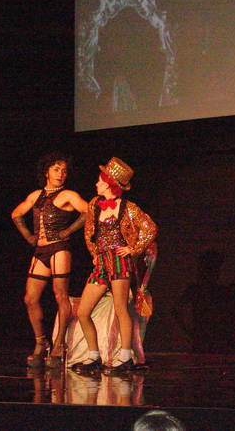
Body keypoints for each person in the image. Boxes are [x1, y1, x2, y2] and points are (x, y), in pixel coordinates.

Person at [73, 157, 158, 373]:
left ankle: (125, 356)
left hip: (119, 260)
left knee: (121, 308)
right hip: (102, 261)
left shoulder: (129, 208)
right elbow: (89, 232)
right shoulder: (94, 204)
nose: (96, 184)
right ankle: (93, 356)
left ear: (109, 184)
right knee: (83, 311)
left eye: (100, 181)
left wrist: (133, 248)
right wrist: (94, 254)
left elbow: (150, 228)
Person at [11, 152, 87, 368]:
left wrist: (68, 231)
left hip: (59, 249)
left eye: (64, 171)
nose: (61, 174)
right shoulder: (36, 195)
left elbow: (89, 211)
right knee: (30, 299)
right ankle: (41, 342)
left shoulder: (68, 194)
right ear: (46, 172)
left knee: (60, 295)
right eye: (56, 169)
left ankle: (59, 345)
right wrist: (29, 237)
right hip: (41, 251)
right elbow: (16, 214)